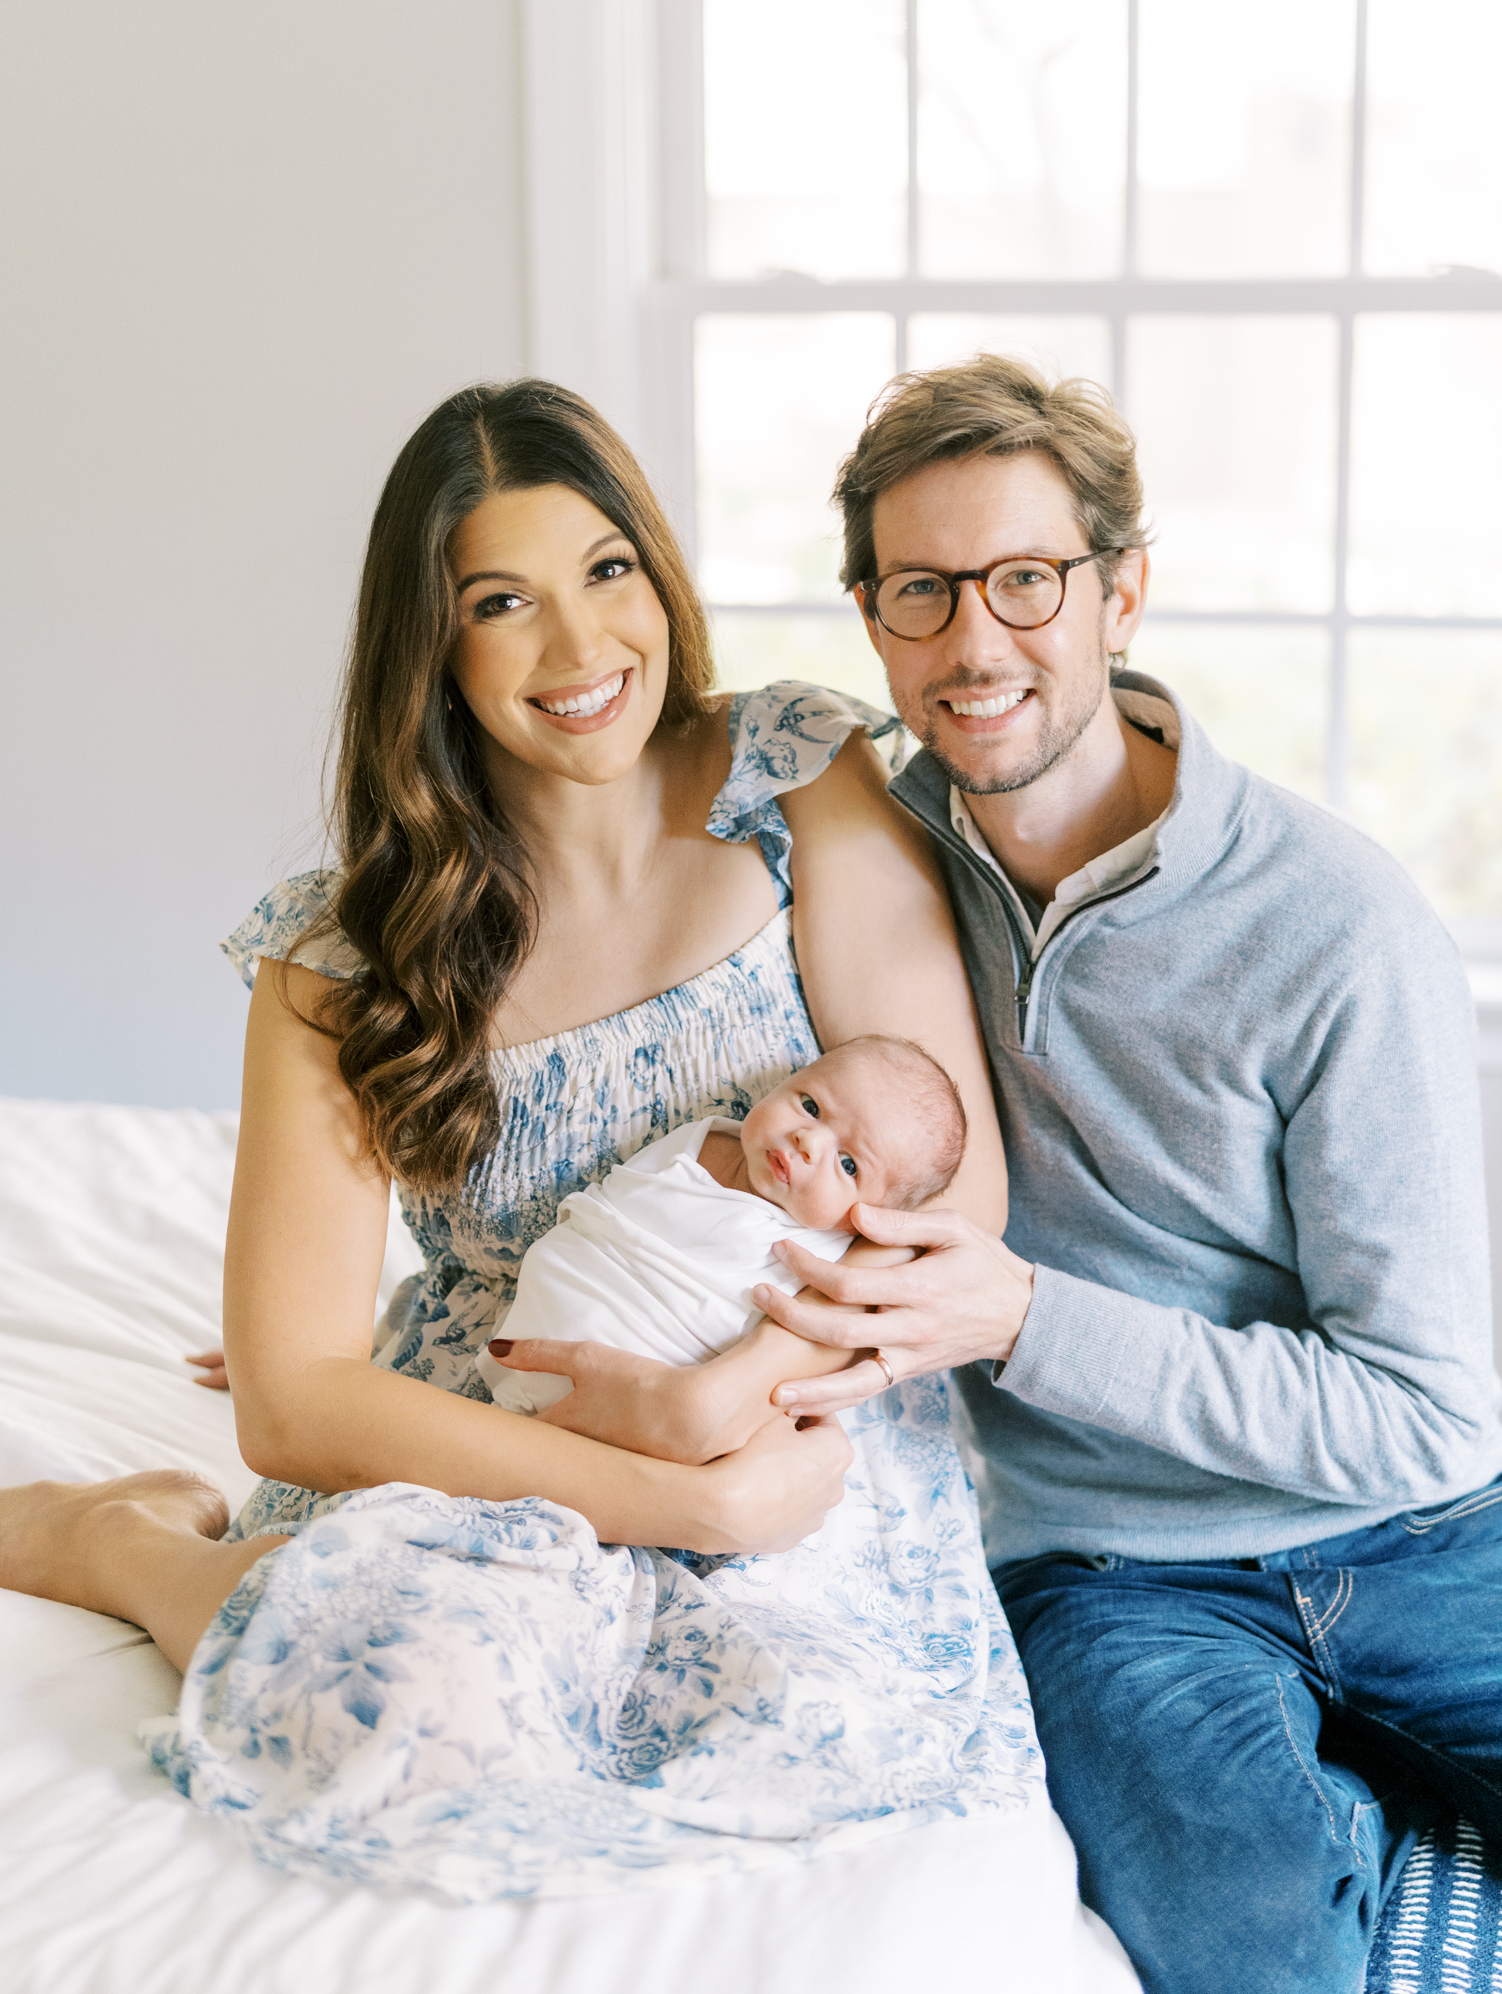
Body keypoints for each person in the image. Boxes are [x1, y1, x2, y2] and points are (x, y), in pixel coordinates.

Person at [0, 380, 1074, 1911]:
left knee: (809, 1729)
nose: (579, 653)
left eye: (607, 572)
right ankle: (120, 1551)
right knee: (387, 1716)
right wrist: (667, 1495)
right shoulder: (341, 959)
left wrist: (722, 1413)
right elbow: (295, 1402)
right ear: (432, 648)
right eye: (503, 602)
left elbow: (945, 1196)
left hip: (785, 1406)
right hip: (506, 1424)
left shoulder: (793, 780)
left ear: (658, 572)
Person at [752, 354, 1502, 1994]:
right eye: (921, 592)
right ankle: (1357, 1838)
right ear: (871, 620)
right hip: (1108, 1567)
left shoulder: (1335, 921)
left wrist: (1021, 1315)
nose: (974, 642)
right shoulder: (865, 876)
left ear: (1122, 592)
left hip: (1425, 1524)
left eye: (1026, 580)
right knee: (1248, 1950)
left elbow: (1426, 1411)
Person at [484, 1035, 965, 1419]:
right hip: (527, 1330)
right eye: (811, 1106)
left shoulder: (833, 1258)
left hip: (640, 1404)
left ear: (878, 1218)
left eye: (847, 1163)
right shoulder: (700, 1138)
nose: (809, 1140)